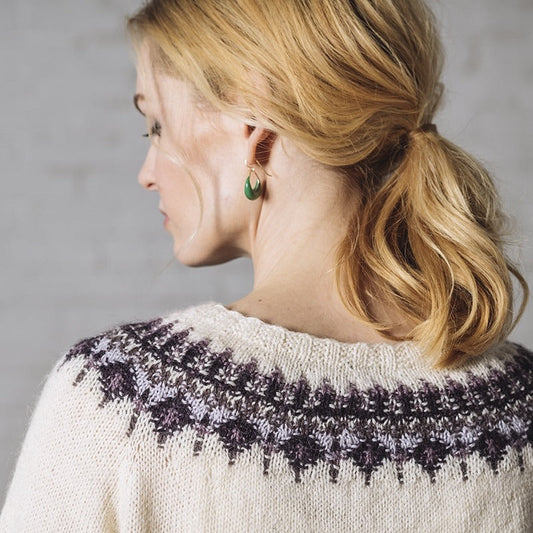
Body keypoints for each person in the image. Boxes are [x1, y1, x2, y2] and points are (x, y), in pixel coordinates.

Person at [1, 0, 532, 531]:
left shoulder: (121, 402)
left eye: (156, 126)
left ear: (253, 122)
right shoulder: (520, 406)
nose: (147, 172)